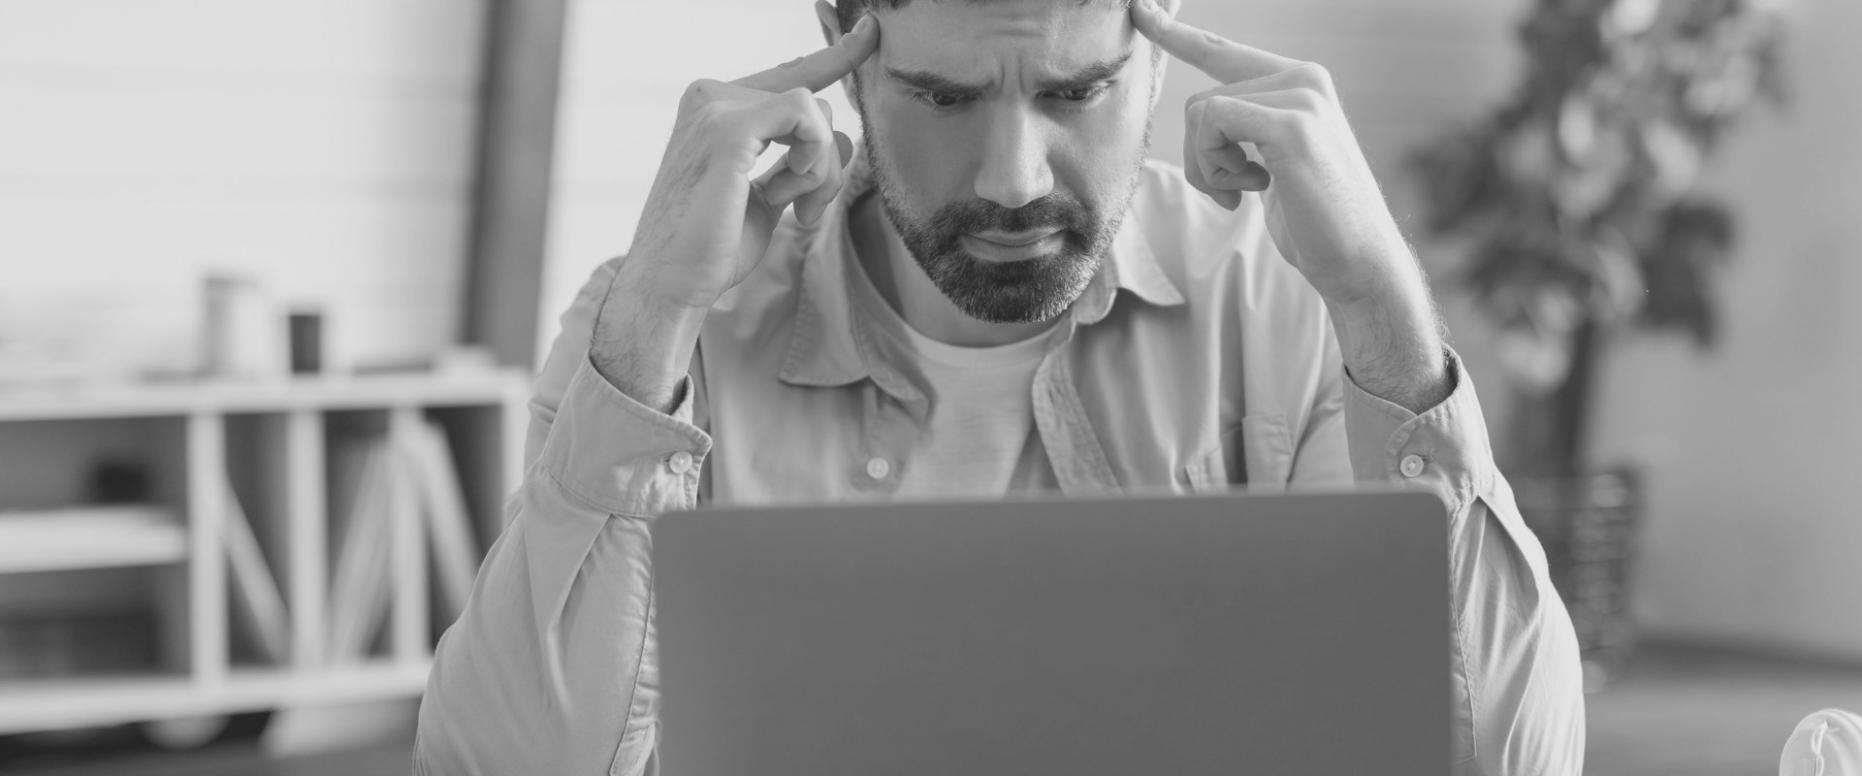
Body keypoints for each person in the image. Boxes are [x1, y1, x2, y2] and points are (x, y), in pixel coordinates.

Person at [414, 0, 1586, 773]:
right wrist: (659, 315)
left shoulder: (1282, 299)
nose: (1013, 179)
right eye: (943, 97)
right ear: (843, 40)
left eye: (1074, 95)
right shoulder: (661, 321)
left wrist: (1381, 305)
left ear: (1159, 36)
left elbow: (1511, 757)